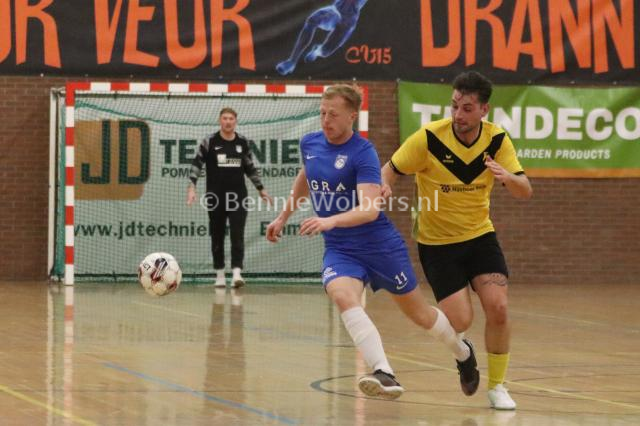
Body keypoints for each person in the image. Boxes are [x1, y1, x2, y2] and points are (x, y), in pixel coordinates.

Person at [266, 84, 479, 400]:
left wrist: (329, 220)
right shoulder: (310, 143)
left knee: (420, 315)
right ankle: (384, 372)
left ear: (352, 116)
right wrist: (283, 216)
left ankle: (463, 353)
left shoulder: (362, 152)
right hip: (340, 249)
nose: (326, 120)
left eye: (333, 114)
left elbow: (370, 210)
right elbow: (307, 176)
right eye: (322, 113)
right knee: (342, 295)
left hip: (380, 247)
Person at [381, 71, 533, 410]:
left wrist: (507, 176)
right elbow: (389, 168)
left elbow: (525, 190)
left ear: (484, 110)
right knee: (461, 321)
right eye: (454, 106)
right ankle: (464, 355)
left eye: (466, 109)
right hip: (437, 244)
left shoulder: (496, 140)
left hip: (480, 237)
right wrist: (384, 186)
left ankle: (497, 386)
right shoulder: (429, 138)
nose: (458, 115)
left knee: (499, 307)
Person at [187, 107, 273, 288]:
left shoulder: (242, 142)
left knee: (237, 234)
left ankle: (236, 274)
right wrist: (192, 187)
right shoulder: (209, 141)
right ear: (220, 121)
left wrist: (261, 189)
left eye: (231, 118)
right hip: (215, 197)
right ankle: (219, 274)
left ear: (236, 121)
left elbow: (250, 167)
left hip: (238, 197)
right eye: (225, 118)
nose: (228, 122)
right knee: (217, 235)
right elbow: (197, 164)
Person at [276, 0, 368, 76]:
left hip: (348, 20)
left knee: (325, 52)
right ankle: (292, 61)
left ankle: (317, 51)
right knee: (312, 20)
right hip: (335, 11)